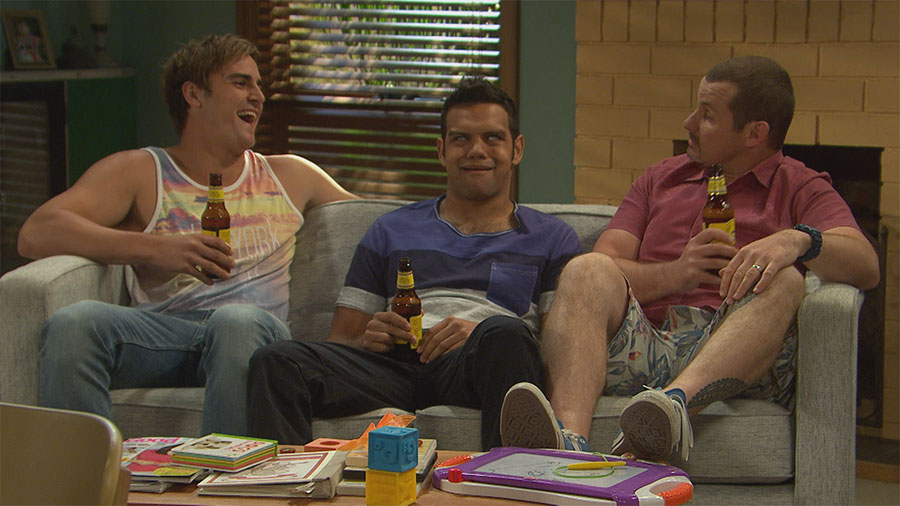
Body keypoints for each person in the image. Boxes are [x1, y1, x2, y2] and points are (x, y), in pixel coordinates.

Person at [499, 55, 880, 460]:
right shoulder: (661, 178)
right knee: (586, 268)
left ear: (754, 133)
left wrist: (796, 240)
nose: (689, 122)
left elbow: (866, 266)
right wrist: (677, 274)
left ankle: (673, 407)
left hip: (737, 350)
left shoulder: (799, 185)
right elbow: (608, 261)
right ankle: (569, 440)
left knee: (787, 279)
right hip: (646, 341)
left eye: (708, 115)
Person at [17, 34, 357, 436]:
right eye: (240, 82)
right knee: (73, 324)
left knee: (235, 321)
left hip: (253, 336)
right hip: (164, 337)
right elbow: (37, 232)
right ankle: (86, 472)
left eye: (258, 84)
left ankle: (222, 473)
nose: (258, 95)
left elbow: (381, 221)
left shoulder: (290, 175)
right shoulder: (141, 171)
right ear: (194, 95)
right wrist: (153, 249)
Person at [246, 77, 582, 450]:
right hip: (396, 365)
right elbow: (341, 340)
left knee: (505, 335)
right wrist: (368, 339)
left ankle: (506, 477)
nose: (476, 150)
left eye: (492, 138)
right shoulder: (391, 230)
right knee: (276, 361)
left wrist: (480, 335)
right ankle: (286, 480)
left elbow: (558, 353)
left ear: (516, 149)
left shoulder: (552, 238)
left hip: (483, 365)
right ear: (441, 150)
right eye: (460, 139)